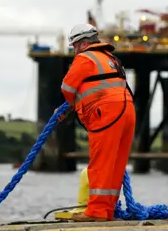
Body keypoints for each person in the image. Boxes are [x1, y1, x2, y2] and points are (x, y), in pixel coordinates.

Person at [56, 23, 135, 222]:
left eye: (74, 46)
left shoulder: (84, 58)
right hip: (127, 111)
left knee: (100, 164)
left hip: (106, 113)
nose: (74, 50)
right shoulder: (111, 58)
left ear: (82, 44)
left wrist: (69, 107)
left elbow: (67, 87)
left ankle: (96, 212)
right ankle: (106, 210)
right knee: (116, 164)